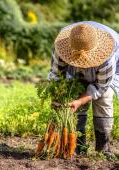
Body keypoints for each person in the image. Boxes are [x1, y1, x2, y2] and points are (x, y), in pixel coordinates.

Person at [48, 21, 119, 158]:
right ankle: (78, 146)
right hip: (73, 72)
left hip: (108, 73)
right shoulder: (62, 47)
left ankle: (103, 148)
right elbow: (57, 76)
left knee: (104, 99)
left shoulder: (107, 56)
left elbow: (100, 87)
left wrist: (80, 101)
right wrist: (57, 97)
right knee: (72, 96)